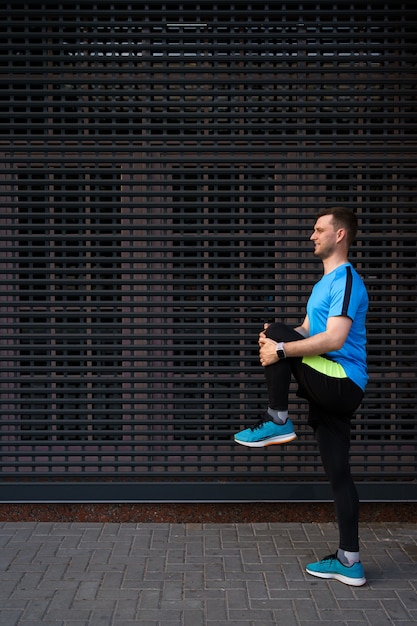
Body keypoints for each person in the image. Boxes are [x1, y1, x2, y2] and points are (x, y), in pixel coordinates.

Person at [234, 207, 368, 587]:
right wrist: (275, 341)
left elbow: (335, 340)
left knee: (277, 333)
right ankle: (349, 561)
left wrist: (279, 347)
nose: (312, 235)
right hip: (328, 383)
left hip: (341, 379)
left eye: (318, 229)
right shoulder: (322, 284)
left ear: (339, 235)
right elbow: (308, 331)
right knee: (339, 474)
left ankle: (277, 419)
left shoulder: (346, 279)